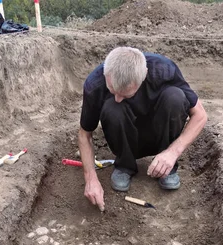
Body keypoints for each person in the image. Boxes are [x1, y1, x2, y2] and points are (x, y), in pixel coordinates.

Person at [77, 46, 207, 211]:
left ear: (144, 75)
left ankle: (166, 166)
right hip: (123, 136)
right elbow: (84, 135)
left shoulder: (164, 70)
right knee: (112, 107)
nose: (118, 98)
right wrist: (91, 179)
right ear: (105, 73)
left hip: (160, 134)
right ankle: (124, 165)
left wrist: (172, 152)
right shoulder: (94, 84)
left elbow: (200, 115)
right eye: (112, 90)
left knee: (175, 97)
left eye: (126, 95)